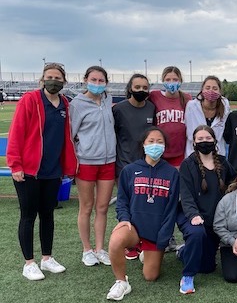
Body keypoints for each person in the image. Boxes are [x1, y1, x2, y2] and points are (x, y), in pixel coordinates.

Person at [7, 62, 77, 280]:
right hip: (28, 171)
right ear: (42, 79)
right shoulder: (30, 100)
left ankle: (47, 258)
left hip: (52, 171)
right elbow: (16, 132)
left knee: (48, 214)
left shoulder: (64, 103)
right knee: (28, 216)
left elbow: (65, 138)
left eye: (57, 78)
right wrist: (15, 164)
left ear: (63, 81)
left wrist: (67, 166)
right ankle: (29, 263)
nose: (53, 81)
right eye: (49, 77)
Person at [106, 127, 180, 301]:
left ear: (165, 146)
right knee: (116, 241)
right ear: (143, 145)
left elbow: (171, 210)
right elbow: (122, 201)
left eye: (160, 142)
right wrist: (124, 219)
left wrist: (164, 237)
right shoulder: (129, 170)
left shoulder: (171, 173)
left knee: (150, 276)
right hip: (133, 228)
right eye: (151, 141)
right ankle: (121, 282)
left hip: (156, 232)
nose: (156, 145)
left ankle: (144, 252)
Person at [176, 125, 236, 294]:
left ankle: (184, 252)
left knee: (207, 267)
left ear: (215, 141)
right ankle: (187, 276)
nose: (204, 142)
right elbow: (186, 195)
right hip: (191, 215)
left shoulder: (223, 162)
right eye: (200, 139)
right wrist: (193, 215)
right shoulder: (188, 164)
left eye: (208, 138)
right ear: (194, 143)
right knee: (197, 233)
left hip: (214, 217)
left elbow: (235, 179)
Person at [70, 66, 116, 267]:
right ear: (85, 80)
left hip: (108, 161)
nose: (97, 84)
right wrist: (75, 160)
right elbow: (70, 136)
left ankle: (100, 248)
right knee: (86, 207)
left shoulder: (108, 100)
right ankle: (87, 250)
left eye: (101, 80)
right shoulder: (77, 104)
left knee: (103, 207)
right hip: (87, 162)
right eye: (93, 80)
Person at [112, 74, 155, 260]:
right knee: (127, 205)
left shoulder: (151, 108)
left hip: (146, 164)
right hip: (124, 165)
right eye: (137, 87)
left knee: (144, 204)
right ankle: (129, 244)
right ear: (130, 88)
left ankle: (142, 241)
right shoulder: (119, 109)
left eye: (145, 87)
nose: (141, 91)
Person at [149, 66, 192, 169]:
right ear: (163, 81)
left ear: (180, 81)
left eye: (175, 79)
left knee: (176, 183)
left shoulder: (187, 98)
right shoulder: (155, 96)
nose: (171, 82)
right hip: (159, 151)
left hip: (179, 152)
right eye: (168, 80)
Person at [185, 75, 230, 158]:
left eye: (215, 88)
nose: (211, 91)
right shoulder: (191, 106)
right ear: (202, 90)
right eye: (208, 88)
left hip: (218, 155)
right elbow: (189, 133)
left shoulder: (225, 106)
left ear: (220, 91)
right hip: (194, 154)